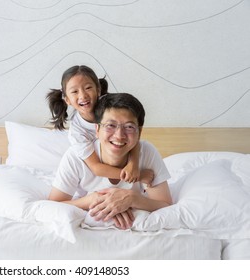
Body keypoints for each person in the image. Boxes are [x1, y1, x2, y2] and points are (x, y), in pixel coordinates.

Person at [48, 93, 173, 229]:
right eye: (110, 125)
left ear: (139, 131)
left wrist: (132, 199)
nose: (119, 136)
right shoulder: (76, 157)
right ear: (97, 129)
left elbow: (165, 204)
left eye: (129, 127)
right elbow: (52, 205)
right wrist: (91, 201)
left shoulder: (147, 152)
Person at [47, 65, 145, 183]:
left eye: (88, 88)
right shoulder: (77, 132)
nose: (83, 95)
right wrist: (139, 176)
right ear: (67, 99)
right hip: (95, 177)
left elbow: (131, 136)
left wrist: (133, 164)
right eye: (74, 91)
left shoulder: (111, 108)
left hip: (121, 163)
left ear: (98, 90)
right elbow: (96, 168)